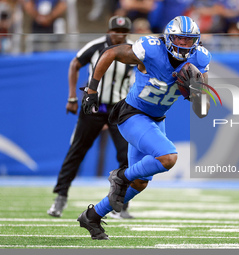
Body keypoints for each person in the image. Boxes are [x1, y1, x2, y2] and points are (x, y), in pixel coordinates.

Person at [77, 15, 211, 240]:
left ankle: (92, 216)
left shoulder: (200, 58)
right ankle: (120, 175)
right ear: (169, 37)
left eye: (189, 40)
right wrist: (92, 90)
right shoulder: (151, 49)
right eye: (180, 39)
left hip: (156, 120)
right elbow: (110, 53)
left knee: (139, 183)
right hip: (133, 115)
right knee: (168, 158)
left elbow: (203, 109)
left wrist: (195, 90)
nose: (185, 45)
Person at [47, 16, 136, 219]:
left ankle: (121, 205)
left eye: (123, 32)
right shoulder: (96, 46)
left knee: (126, 156)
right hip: (94, 107)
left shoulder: (133, 50)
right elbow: (74, 64)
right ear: (109, 30)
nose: (119, 35)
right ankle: (60, 197)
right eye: (115, 31)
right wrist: (72, 96)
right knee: (77, 150)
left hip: (119, 110)